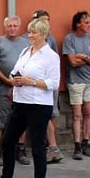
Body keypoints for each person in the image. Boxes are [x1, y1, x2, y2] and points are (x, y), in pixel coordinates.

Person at [0, 18, 61, 178]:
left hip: (39, 105)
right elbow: (15, 70)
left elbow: (54, 83)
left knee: (37, 147)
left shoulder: (51, 56)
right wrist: (15, 78)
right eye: (29, 31)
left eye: (34, 32)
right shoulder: (26, 51)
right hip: (20, 101)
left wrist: (31, 82)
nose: (30, 35)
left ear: (43, 34)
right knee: (7, 141)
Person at [0, 16, 30, 166]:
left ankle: (20, 149)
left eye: (15, 26)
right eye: (9, 26)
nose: (12, 29)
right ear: (5, 27)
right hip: (2, 87)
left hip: (22, 87)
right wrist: (6, 80)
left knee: (22, 118)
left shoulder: (26, 43)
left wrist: (23, 80)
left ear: (19, 27)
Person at [63, 11, 90, 161]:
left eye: (89, 22)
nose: (89, 25)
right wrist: (87, 58)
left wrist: (82, 57)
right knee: (77, 114)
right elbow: (72, 62)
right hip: (75, 81)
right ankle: (77, 145)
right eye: (86, 22)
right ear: (78, 24)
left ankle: (86, 142)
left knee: (88, 112)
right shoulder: (69, 39)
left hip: (89, 81)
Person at [33, 9, 65, 163]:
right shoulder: (31, 40)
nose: (46, 22)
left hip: (47, 84)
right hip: (35, 85)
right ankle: (50, 147)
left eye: (48, 19)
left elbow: (54, 61)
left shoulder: (50, 40)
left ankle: (52, 147)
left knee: (51, 115)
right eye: (43, 19)